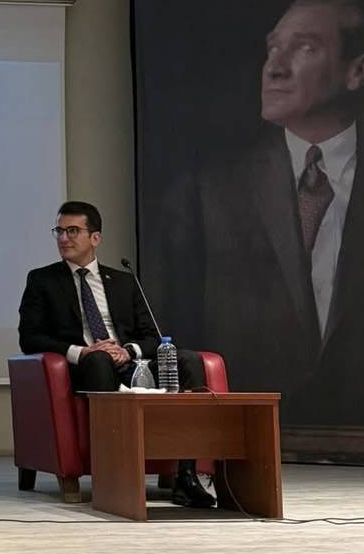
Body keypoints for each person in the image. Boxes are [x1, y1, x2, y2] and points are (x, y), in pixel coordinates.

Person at [163, 0, 364, 426]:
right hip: (249, 430)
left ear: (358, 70)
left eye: (304, 47)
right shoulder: (207, 190)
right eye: (273, 47)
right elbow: (180, 320)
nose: (275, 67)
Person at [18, 201, 216, 509]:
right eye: (59, 231)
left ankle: (186, 476)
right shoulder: (42, 280)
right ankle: (114, 475)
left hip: (131, 362)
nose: (64, 238)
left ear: (95, 237)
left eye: (73, 231)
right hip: (85, 367)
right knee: (99, 360)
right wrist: (83, 351)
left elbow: (151, 335)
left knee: (188, 360)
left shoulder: (123, 281)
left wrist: (127, 351)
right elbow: (30, 338)